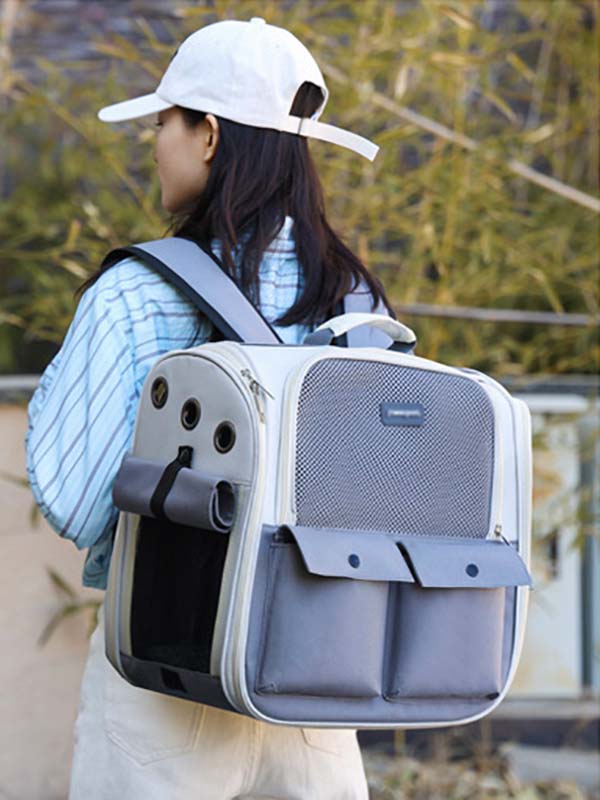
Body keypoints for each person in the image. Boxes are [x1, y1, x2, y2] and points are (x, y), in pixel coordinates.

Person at [26, 17, 392, 800]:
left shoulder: (137, 293)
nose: (155, 143)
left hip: (165, 673)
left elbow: (74, 499)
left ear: (210, 136)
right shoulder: (358, 301)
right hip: (315, 671)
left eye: (164, 122)